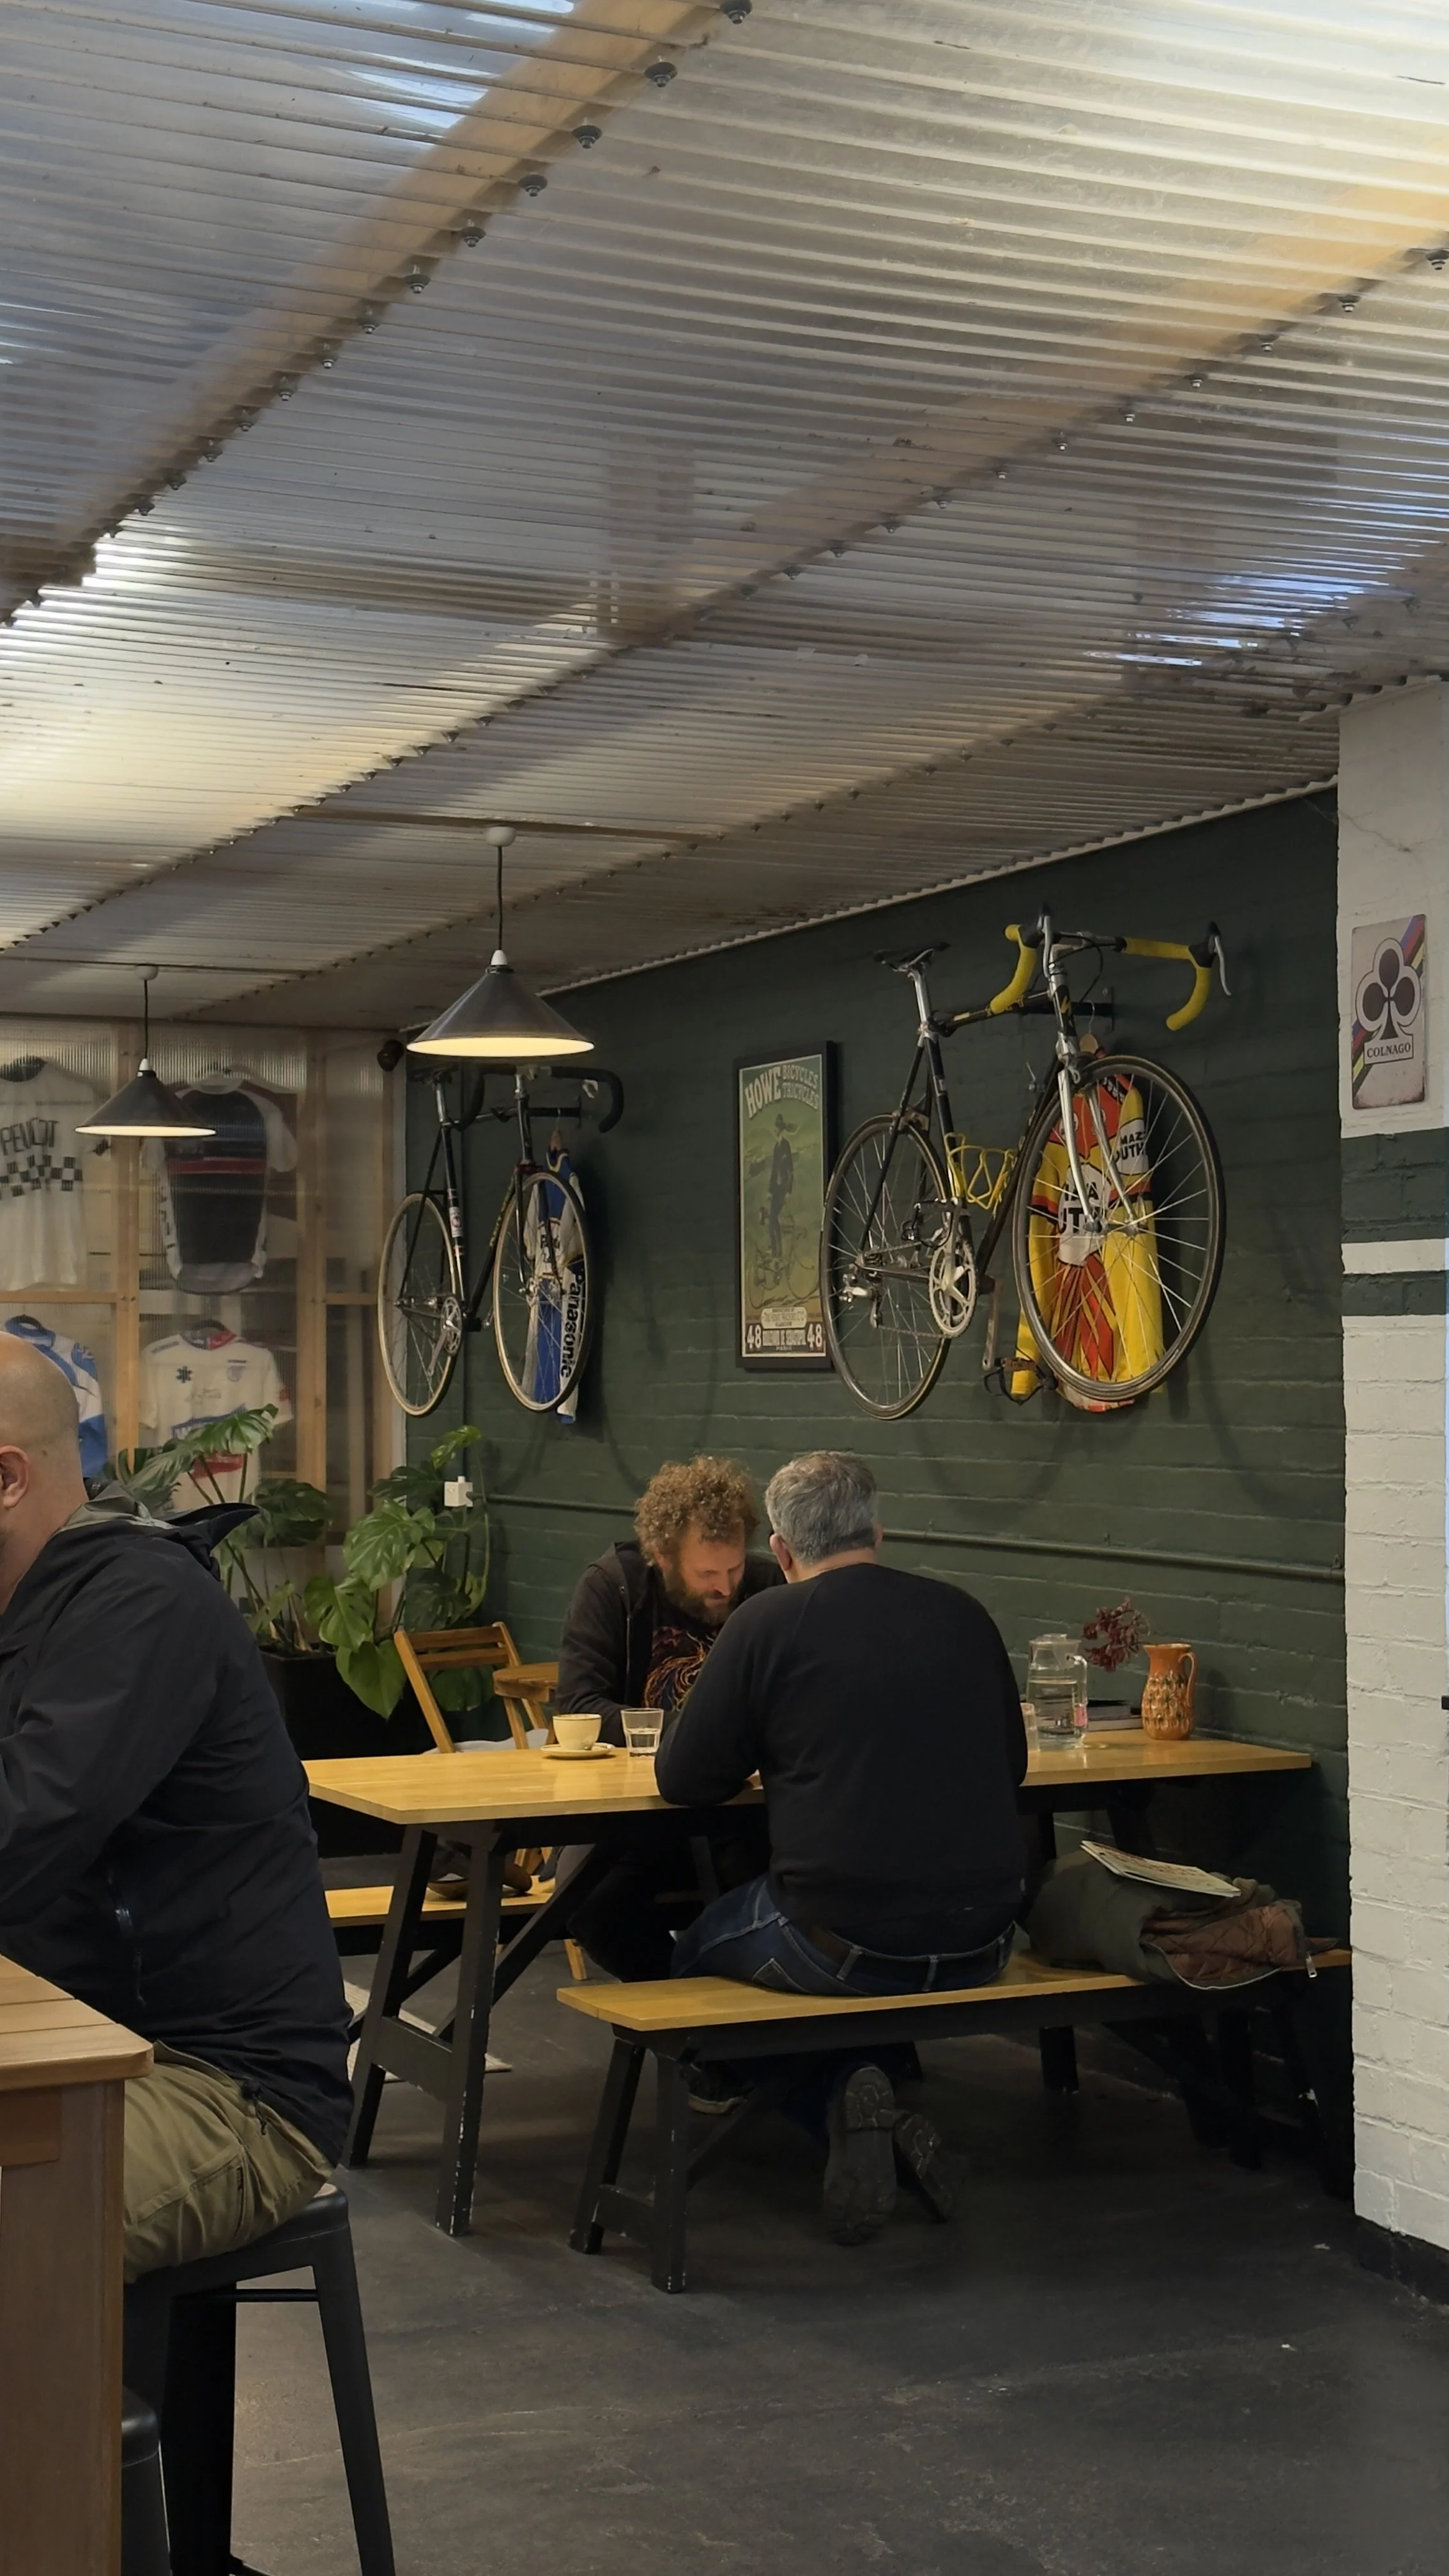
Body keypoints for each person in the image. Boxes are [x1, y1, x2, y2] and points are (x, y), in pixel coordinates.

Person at [0, 1335, 353, 2280]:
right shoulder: (28, 1615)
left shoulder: (137, 1603)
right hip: (81, 2047)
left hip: (219, 2090)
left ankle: (73, 2428)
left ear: (6, 1478)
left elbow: (20, 1834)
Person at [656, 1450, 1028, 2246]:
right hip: (989, 1940)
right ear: (878, 1533)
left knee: (688, 1960)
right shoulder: (964, 1614)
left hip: (842, 1945)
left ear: (782, 1554)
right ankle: (870, 2098)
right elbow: (1014, 1767)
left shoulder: (766, 1621)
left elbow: (684, 1778)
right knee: (843, 1925)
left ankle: (838, 2102)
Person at [555, 1455, 781, 1981]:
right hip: (638, 1814)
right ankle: (683, 2002)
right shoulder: (615, 1588)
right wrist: (693, 1738)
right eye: (707, 1574)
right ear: (662, 1556)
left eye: (734, 1569)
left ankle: (754, 2027)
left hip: (740, 1813)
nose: (726, 1587)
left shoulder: (768, 1588)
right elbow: (580, 1707)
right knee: (585, 1903)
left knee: (786, 1894)